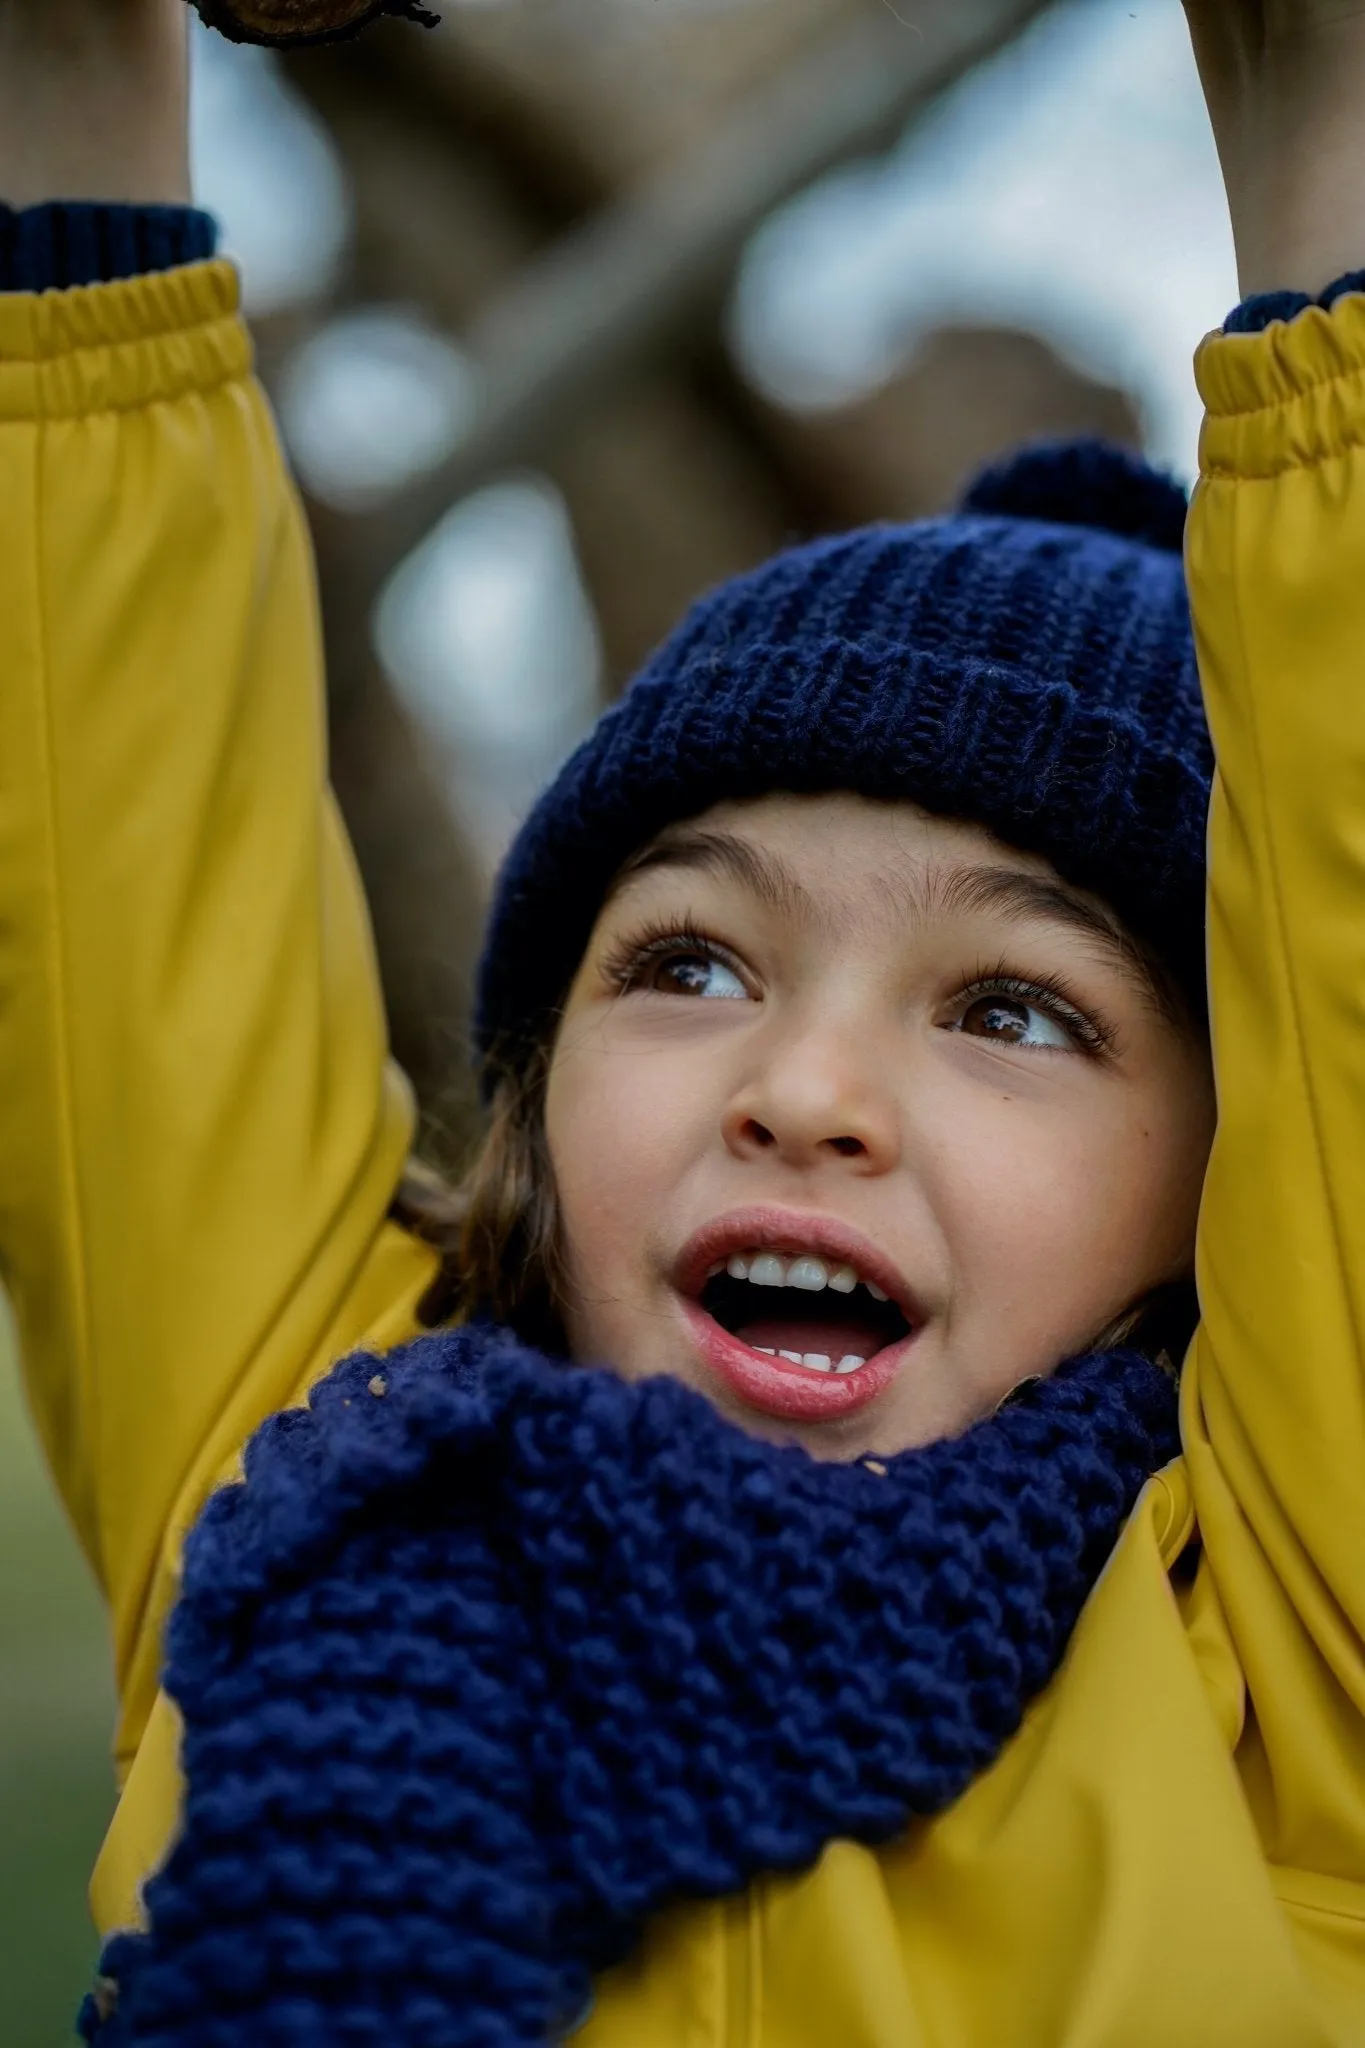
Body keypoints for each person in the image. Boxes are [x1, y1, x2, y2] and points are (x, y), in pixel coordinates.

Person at [2, 0, 1364, 2040]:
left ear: (1231, 1175)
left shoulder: (1285, 1655)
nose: (803, 1091)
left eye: (1010, 1005)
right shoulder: (303, 1473)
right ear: (540, 1104)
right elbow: (95, 787)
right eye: (689, 965)